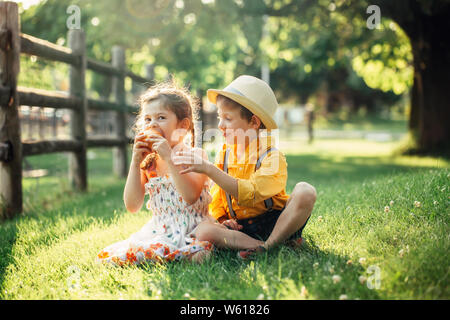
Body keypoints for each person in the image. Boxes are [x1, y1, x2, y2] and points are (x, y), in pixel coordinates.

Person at [173, 75, 317, 260]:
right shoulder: (224, 154)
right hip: (242, 229)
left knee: (306, 191)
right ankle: (270, 245)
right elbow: (219, 197)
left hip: (276, 222)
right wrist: (224, 221)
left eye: (228, 118)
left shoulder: (272, 156)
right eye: (219, 117)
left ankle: (269, 245)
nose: (220, 125)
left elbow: (251, 194)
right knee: (204, 230)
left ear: (254, 123)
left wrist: (209, 169)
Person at [97, 82, 212, 266]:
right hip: (160, 229)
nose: (153, 125)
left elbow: (191, 197)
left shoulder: (195, 156)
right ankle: (178, 256)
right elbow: (132, 205)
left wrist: (169, 158)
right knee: (120, 255)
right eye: (148, 119)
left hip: (194, 229)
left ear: (182, 126)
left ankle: (185, 254)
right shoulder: (149, 162)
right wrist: (135, 163)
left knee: (199, 251)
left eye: (161, 117)